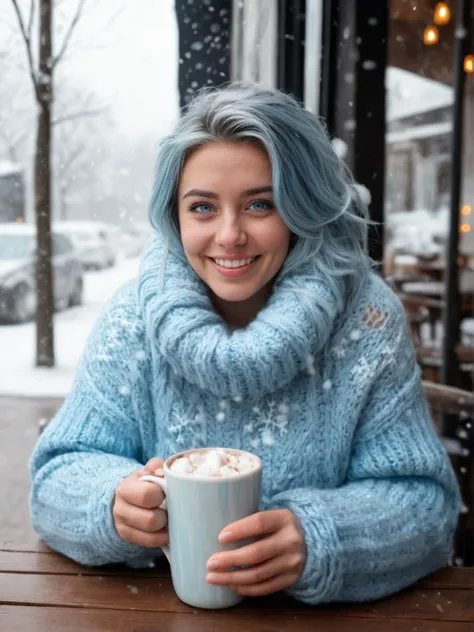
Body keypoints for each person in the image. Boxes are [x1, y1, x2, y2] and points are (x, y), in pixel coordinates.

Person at [30, 83, 460, 605]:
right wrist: (112, 502)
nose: (229, 236)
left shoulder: (365, 321)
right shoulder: (133, 318)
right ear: (175, 216)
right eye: (203, 207)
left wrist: (324, 537)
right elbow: (56, 477)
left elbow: (427, 506)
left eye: (260, 204)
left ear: (303, 208)